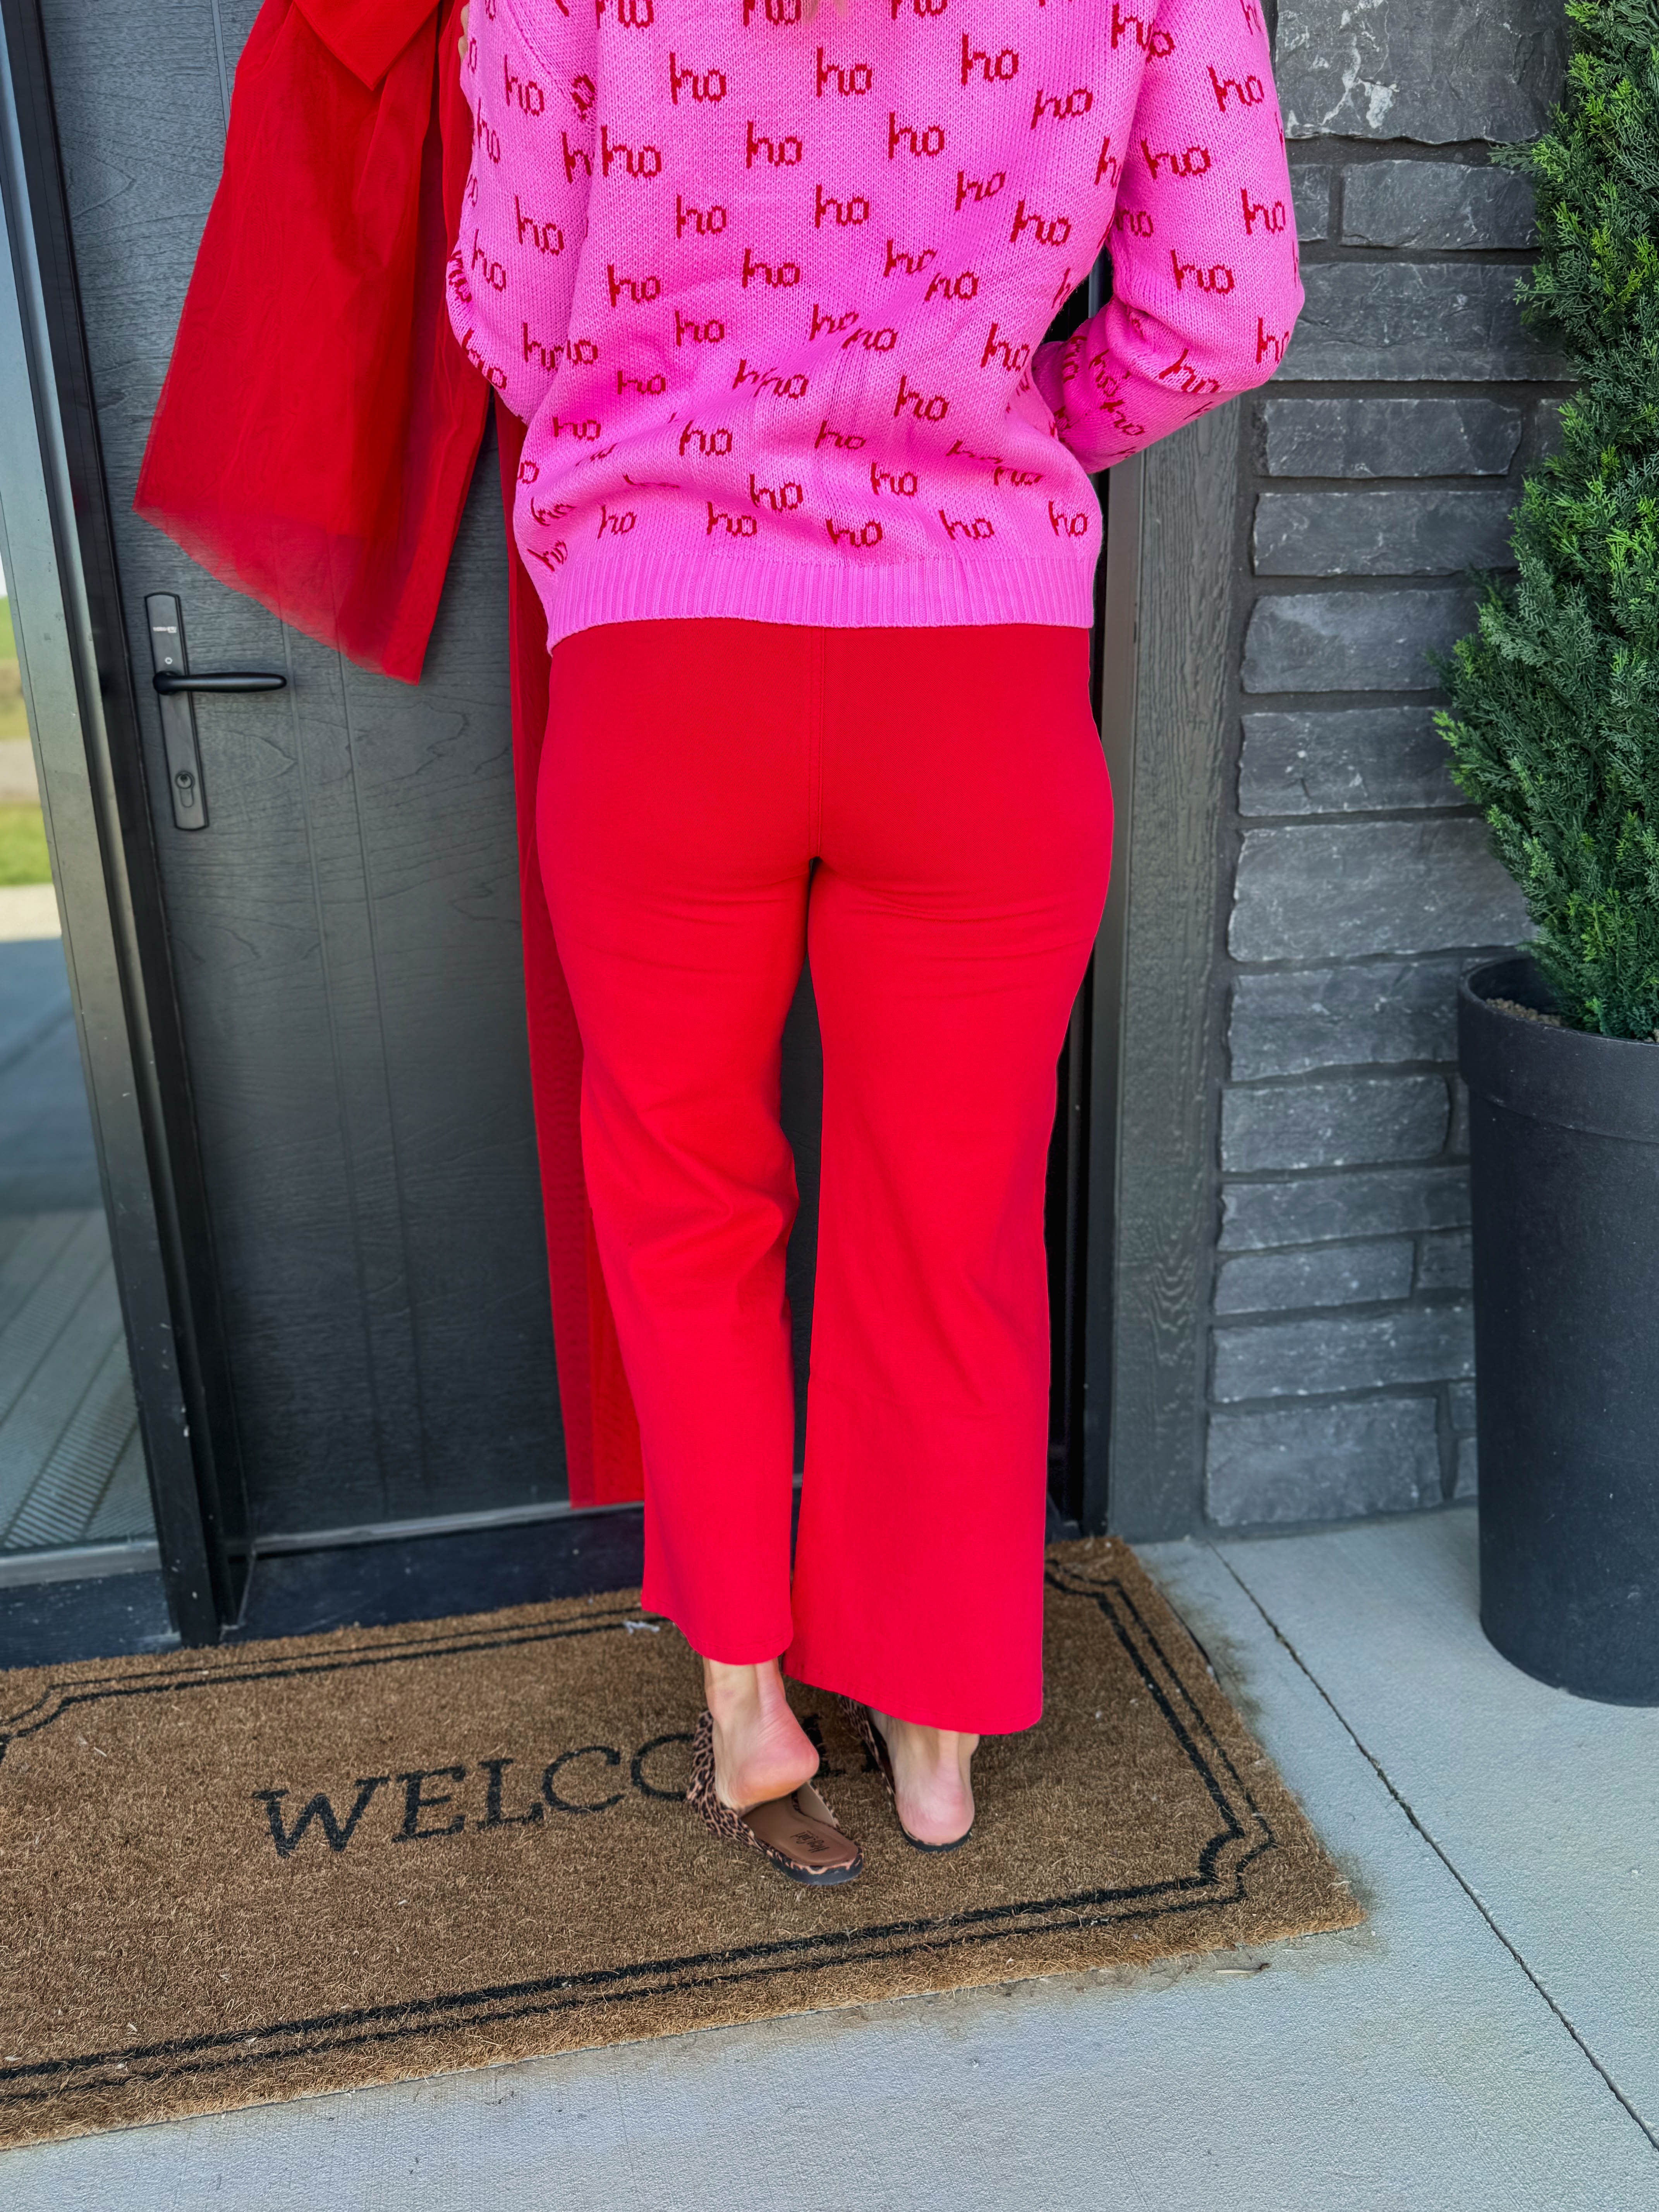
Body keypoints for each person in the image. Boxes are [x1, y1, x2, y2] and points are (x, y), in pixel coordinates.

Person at [449, 0, 1300, 1881]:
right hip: (976, 659)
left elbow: (508, 310)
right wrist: (1018, 418)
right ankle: (933, 1739)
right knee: (953, 1219)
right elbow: (1227, 305)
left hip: (665, 655)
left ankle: (748, 1702)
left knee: (683, 1195)